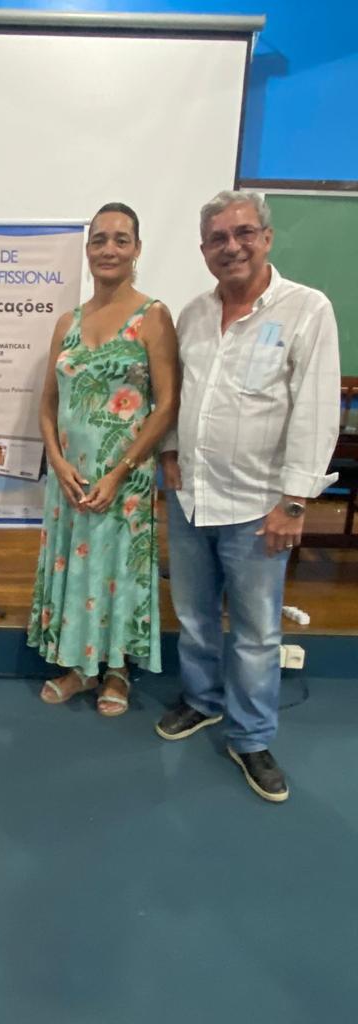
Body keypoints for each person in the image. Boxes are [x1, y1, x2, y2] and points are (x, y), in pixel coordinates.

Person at [156, 190, 341, 803]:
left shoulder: (306, 310)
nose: (230, 247)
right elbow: (179, 396)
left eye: (242, 233)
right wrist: (170, 452)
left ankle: (252, 736)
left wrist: (295, 501)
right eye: (217, 238)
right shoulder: (193, 315)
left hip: (259, 508)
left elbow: (316, 410)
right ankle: (203, 699)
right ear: (203, 249)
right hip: (190, 497)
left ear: (266, 237)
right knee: (195, 617)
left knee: (257, 633)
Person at [27, 203, 179, 714]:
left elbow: (167, 404)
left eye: (121, 239)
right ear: (88, 249)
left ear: (137, 249)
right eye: (99, 239)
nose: (109, 249)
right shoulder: (67, 322)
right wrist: (56, 461)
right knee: (75, 566)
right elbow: (47, 404)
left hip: (125, 478)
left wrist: (120, 471)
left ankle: (116, 669)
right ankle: (79, 666)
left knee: (117, 571)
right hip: (69, 478)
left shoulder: (152, 316)